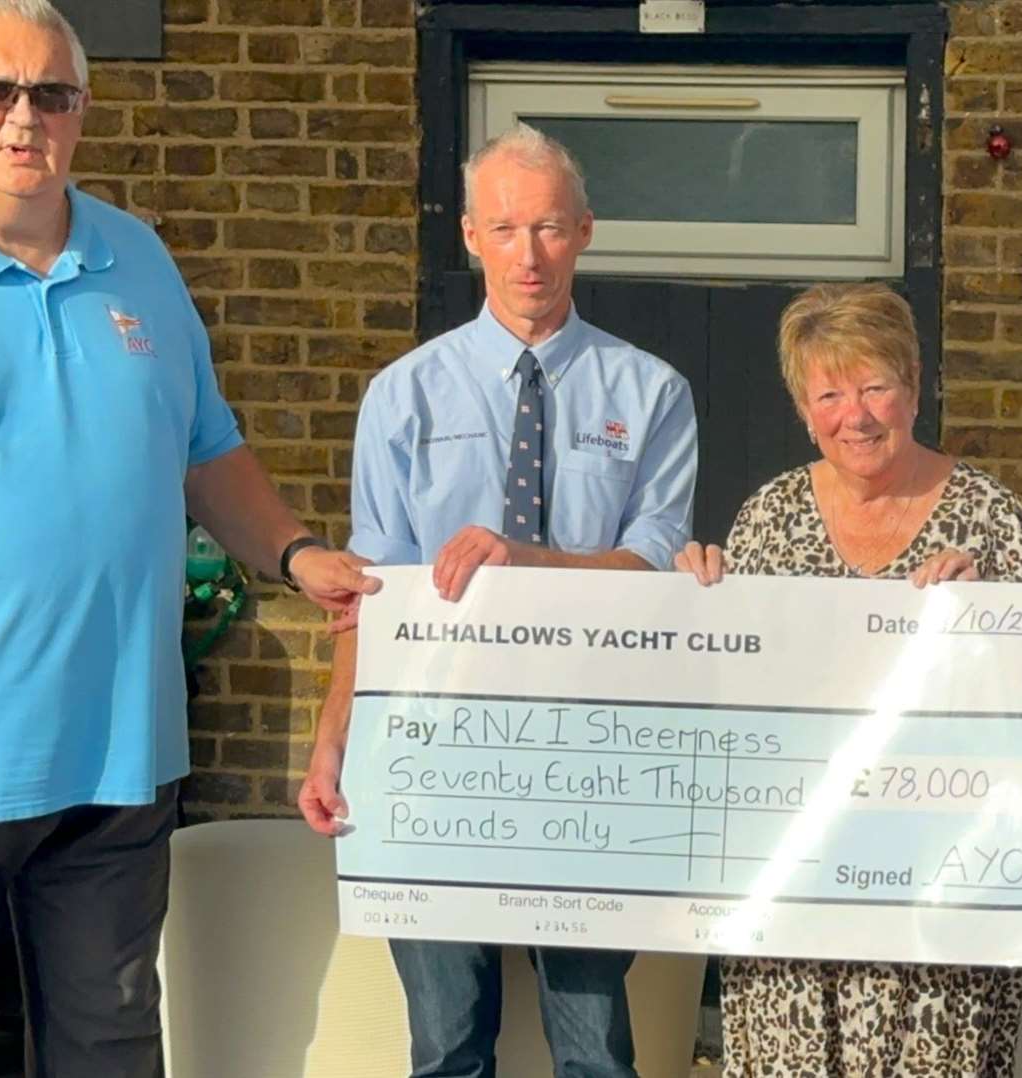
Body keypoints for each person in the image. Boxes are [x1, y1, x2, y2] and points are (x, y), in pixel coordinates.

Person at [0, 2, 378, 1075]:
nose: (23, 118)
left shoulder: (138, 260)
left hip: (117, 753)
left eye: (52, 94)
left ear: (82, 112)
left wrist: (294, 552)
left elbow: (203, 449)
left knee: (111, 1050)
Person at [297, 124, 699, 1078]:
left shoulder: (652, 393)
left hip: (596, 755)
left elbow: (651, 570)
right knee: (443, 1048)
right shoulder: (402, 398)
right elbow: (373, 595)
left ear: (586, 233)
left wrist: (523, 560)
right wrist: (331, 740)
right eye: (507, 228)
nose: (530, 254)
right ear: (470, 236)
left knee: (596, 1049)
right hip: (431, 755)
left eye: (551, 228)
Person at [675, 281, 1022, 1076]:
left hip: (935, 907)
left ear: (913, 388)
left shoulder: (990, 518)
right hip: (793, 898)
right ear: (804, 408)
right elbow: (722, 704)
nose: (858, 414)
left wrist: (991, 620)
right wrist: (691, 607)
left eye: (876, 386)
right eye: (831, 393)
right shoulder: (764, 520)